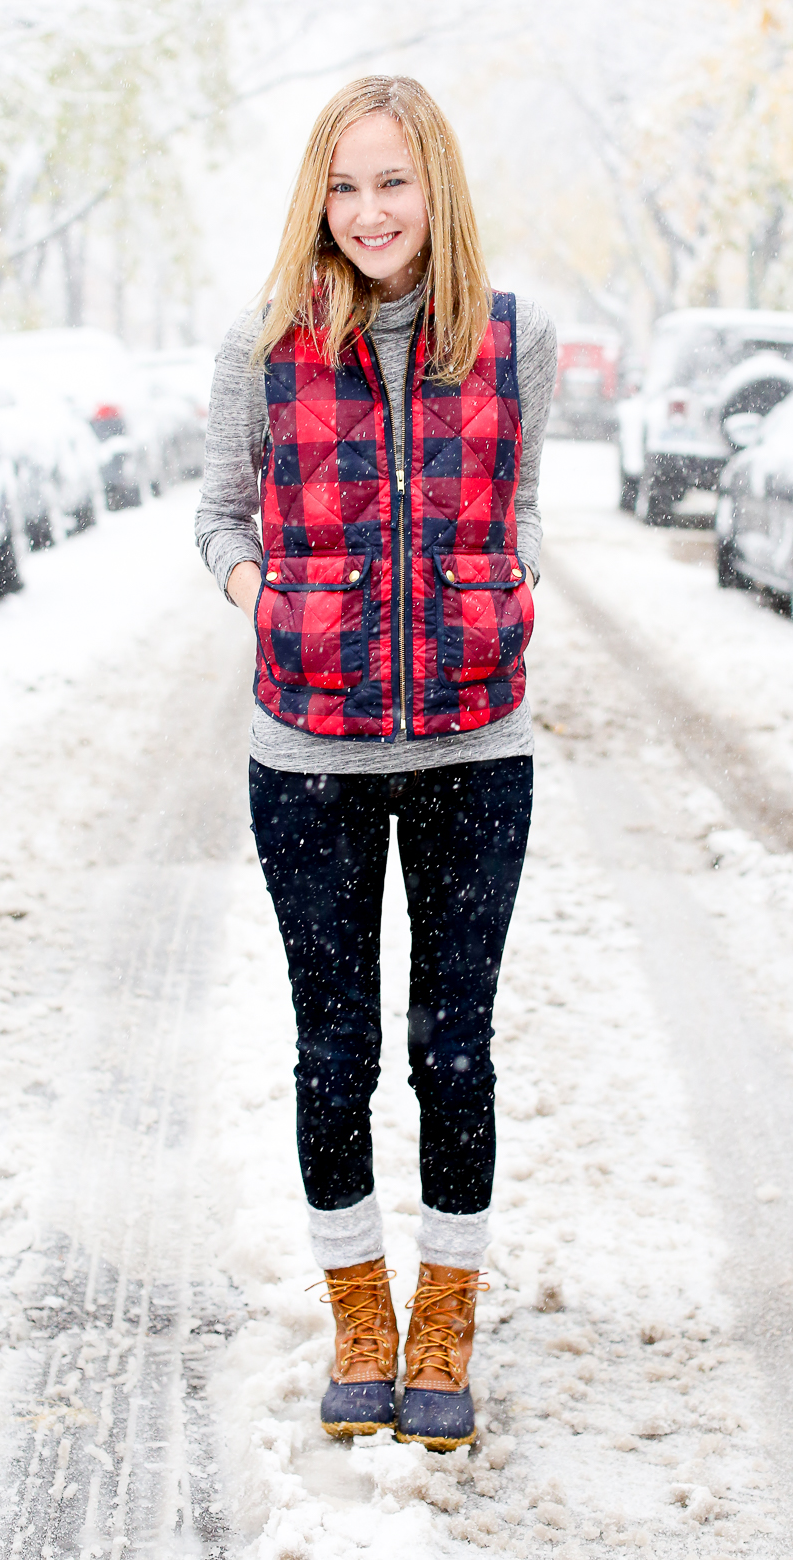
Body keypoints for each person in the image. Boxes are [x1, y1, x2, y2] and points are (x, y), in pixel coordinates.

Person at [195, 75, 557, 1452]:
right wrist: (266, 599)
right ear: (317, 196)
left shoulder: (517, 340)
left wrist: (505, 581)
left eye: (392, 183)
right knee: (334, 1048)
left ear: (436, 189)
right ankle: (360, 1311)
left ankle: (445, 1316)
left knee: (453, 1051)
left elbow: (520, 503)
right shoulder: (263, 344)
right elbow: (219, 514)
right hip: (311, 755)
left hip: (476, 745)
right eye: (343, 187)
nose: (369, 212)